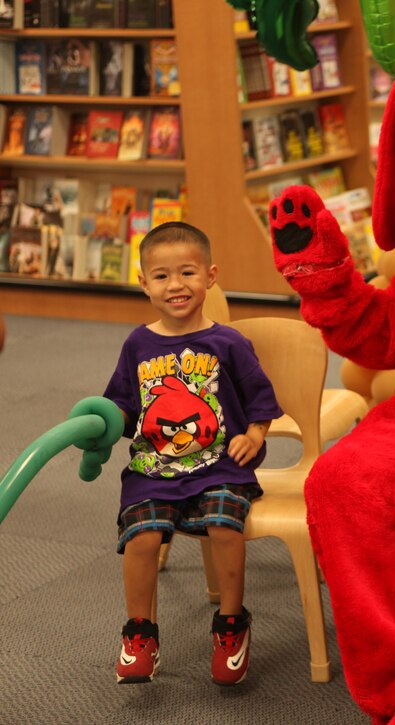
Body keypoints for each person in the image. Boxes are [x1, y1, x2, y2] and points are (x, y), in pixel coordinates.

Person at [102, 222, 281, 685]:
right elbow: (123, 405)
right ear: (143, 283)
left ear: (211, 275)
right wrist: (101, 426)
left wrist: (256, 434)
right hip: (154, 470)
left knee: (224, 526)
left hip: (221, 466)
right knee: (140, 538)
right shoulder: (137, 344)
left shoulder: (229, 343)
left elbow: (261, 400)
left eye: (187, 272)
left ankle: (231, 624)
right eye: (161, 276)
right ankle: (139, 633)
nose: (176, 285)